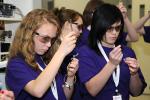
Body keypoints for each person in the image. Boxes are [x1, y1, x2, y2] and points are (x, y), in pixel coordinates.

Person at [77, 3, 147, 100]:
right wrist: (111, 64)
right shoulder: (86, 52)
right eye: (109, 28)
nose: (114, 33)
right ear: (99, 27)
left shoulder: (127, 52)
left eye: (118, 28)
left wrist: (134, 74)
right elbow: (92, 90)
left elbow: (136, 92)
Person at [5, 9, 79, 100]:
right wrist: (61, 52)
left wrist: (70, 77)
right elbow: (37, 90)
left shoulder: (45, 59)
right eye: (45, 38)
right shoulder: (16, 64)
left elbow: (64, 97)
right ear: (29, 34)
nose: (49, 44)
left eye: (52, 39)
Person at [52, 7, 84, 99]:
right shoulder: (49, 49)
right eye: (79, 26)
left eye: (82, 27)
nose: (81, 31)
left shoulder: (75, 46)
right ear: (66, 24)